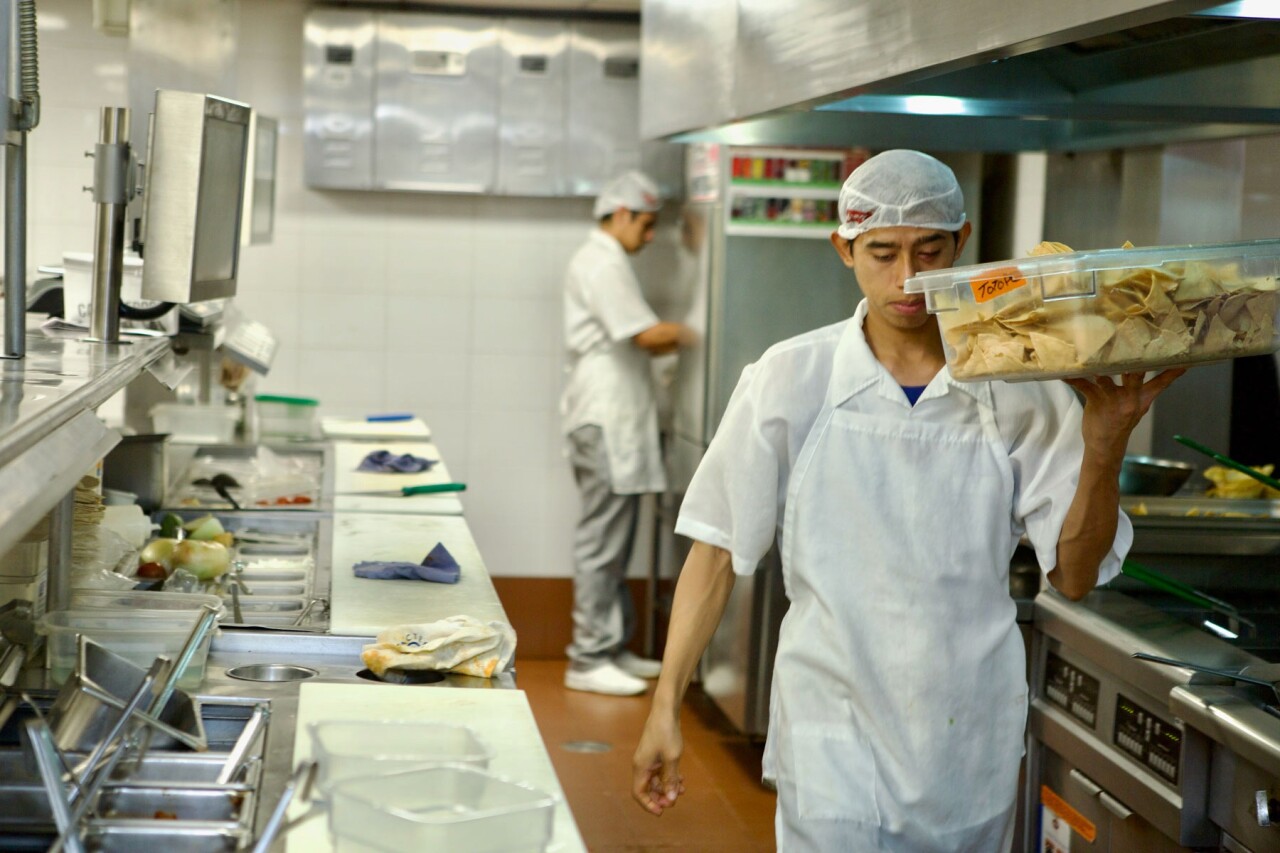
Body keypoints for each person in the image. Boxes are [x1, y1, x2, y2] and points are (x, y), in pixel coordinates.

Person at [630, 150, 1184, 849]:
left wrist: (1105, 447)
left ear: (962, 242)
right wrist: (665, 704)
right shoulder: (790, 378)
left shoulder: (1020, 387)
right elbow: (714, 551)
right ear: (845, 249)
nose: (907, 279)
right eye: (882, 252)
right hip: (833, 739)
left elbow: (1074, 575)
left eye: (929, 251)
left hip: (965, 744)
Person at [561, 170, 690, 696]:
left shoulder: (607, 260)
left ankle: (611, 648)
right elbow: (647, 337)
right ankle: (588, 657)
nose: (651, 235)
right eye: (646, 223)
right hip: (604, 417)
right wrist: (705, 329)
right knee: (603, 541)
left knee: (616, 542)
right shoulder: (601, 263)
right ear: (620, 214)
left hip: (615, 416)